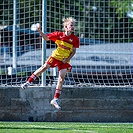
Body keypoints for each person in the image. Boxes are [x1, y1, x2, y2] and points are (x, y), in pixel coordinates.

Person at [21, 17, 80, 110]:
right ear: (66, 27)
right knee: (44, 67)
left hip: (64, 60)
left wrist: (67, 59)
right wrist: (39, 30)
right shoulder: (58, 35)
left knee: (61, 78)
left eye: (73, 25)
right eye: (71, 25)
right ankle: (28, 82)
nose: (72, 27)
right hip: (56, 57)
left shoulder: (75, 39)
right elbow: (46, 38)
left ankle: (55, 99)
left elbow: (73, 51)